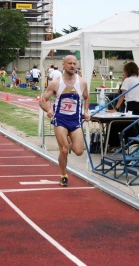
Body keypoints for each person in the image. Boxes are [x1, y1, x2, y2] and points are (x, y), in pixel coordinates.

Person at [39, 55, 90, 187]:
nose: (72, 66)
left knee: (79, 151)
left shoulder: (82, 82)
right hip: (60, 119)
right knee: (64, 150)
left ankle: (69, 138)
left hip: (75, 120)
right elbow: (42, 101)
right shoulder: (56, 82)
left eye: (74, 63)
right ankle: (63, 175)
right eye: (69, 63)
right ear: (63, 65)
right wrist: (48, 110)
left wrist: (86, 111)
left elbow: (86, 97)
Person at [107, 62, 139, 151]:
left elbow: (122, 95)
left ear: (127, 70)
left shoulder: (128, 80)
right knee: (134, 124)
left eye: (124, 71)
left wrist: (115, 108)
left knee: (121, 125)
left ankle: (116, 145)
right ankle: (132, 146)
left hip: (132, 105)